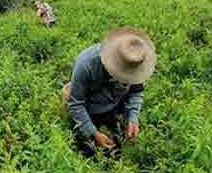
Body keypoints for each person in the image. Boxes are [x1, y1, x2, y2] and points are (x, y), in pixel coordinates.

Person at [63, 27, 156, 155]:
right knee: (87, 148)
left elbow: (136, 92)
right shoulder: (86, 64)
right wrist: (94, 133)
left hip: (116, 103)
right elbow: (75, 104)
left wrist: (133, 118)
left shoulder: (133, 61)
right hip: (89, 107)